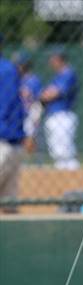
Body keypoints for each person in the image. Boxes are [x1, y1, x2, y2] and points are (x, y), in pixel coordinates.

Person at [40, 47, 79, 169]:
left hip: (62, 115)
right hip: (54, 115)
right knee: (56, 152)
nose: (50, 61)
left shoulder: (68, 73)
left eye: (52, 58)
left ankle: (74, 177)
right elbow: (45, 94)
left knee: (65, 152)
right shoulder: (58, 76)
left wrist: (45, 95)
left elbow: (51, 94)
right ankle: (63, 180)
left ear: (59, 59)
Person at [0, 33, 25, 213]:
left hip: (4, 143)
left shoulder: (6, 69)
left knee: (9, 205)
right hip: (12, 144)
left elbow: (7, 106)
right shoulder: (8, 68)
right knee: (9, 206)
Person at [13, 50, 43, 154]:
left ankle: (32, 165)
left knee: (30, 143)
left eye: (20, 64)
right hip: (17, 117)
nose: (18, 67)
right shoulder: (15, 79)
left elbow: (38, 101)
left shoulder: (33, 80)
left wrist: (36, 116)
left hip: (29, 115)